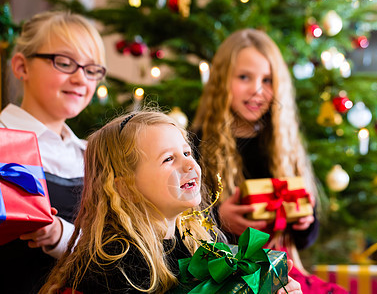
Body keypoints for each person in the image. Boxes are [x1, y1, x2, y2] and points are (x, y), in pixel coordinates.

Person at [39, 111, 302, 294]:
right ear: (125, 187)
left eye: (187, 152)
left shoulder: (202, 243)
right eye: (168, 159)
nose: (190, 163)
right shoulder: (114, 265)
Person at [191, 28, 347, 294]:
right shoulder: (197, 144)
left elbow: (307, 236)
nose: (257, 90)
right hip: (228, 276)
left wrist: (305, 223)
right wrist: (219, 219)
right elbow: (182, 226)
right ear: (221, 80)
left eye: (267, 80)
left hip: (283, 271)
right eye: (244, 77)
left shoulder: (283, 141)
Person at [0, 11, 106, 293]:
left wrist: (59, 234)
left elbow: (108, 249)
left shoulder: (90, 155)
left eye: (92, 69)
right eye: (65, 63)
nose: (81, 79)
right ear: (22, 67)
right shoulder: (2, 139)